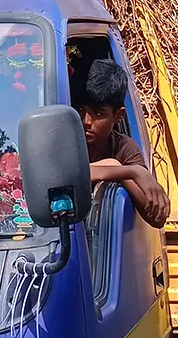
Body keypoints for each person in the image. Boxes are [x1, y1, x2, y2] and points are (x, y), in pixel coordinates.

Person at [71, 58, 171, 228]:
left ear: (118, 116)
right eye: (81, 110)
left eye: (98, 113)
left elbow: (156, 218)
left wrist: (125, 175)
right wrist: (122, 169)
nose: (86, 121)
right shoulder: (65, 142)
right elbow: (67, 175)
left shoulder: (123, 148)